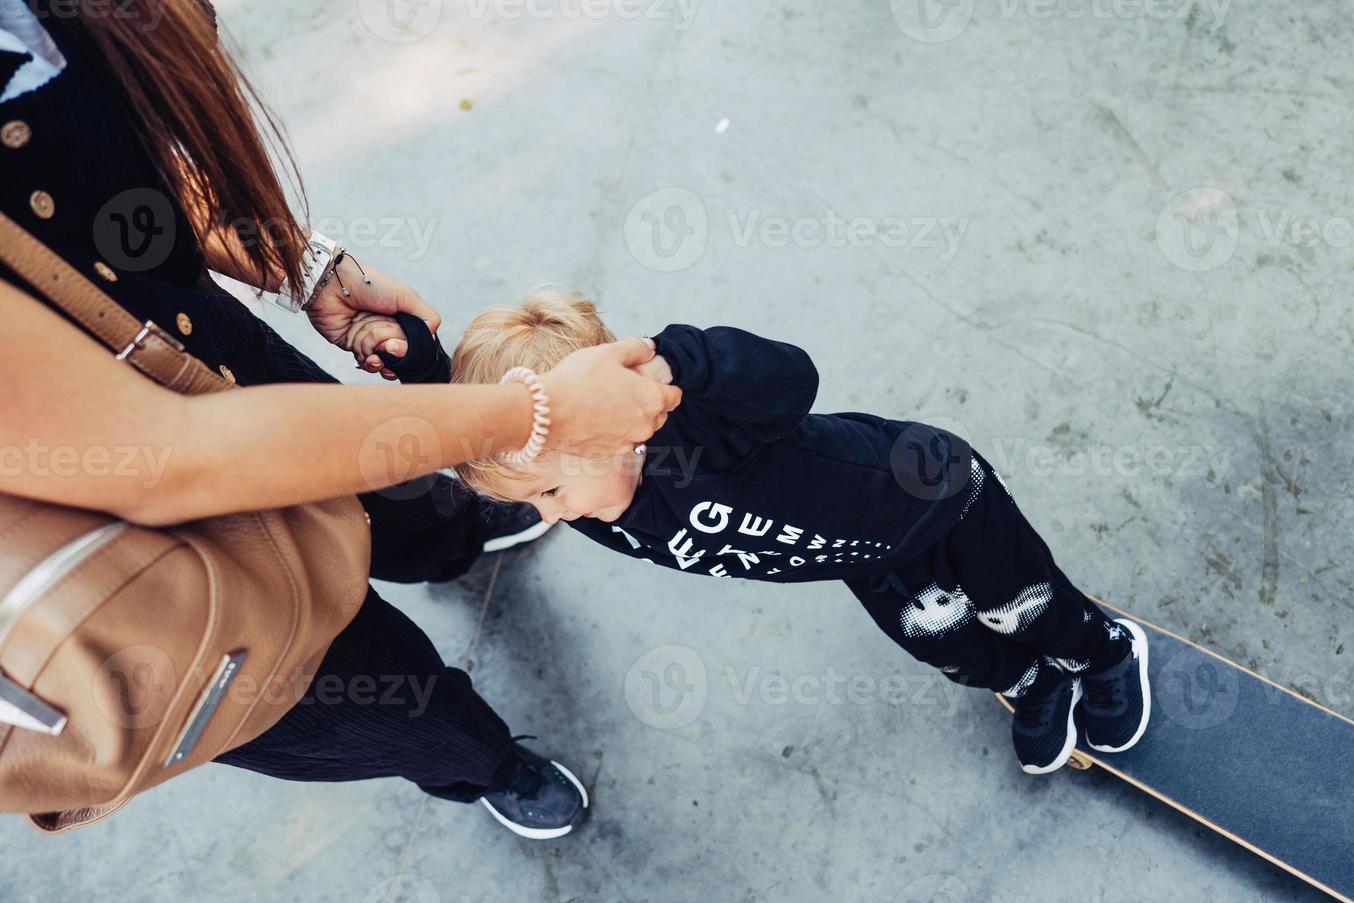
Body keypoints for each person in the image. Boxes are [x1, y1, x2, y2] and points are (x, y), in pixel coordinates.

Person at [0, 2, 679, 838]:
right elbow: (161, 455)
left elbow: (93, 190)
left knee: (401, 492)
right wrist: (535, 413)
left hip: (209, 358)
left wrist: (297, 261)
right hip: (124, 563)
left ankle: (456, 540)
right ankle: (480, 762)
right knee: (373, 701)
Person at [354, 291, 1152, 773]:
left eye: (553, 490)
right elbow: (494, 440)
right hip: (860, 558)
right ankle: (1029, 683)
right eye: (536, 501)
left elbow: (790, 377)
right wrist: (430, 380)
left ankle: (1100, 651)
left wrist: (676, 364)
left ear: (615, 430)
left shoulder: (698, 431)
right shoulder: (594, 503)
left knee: (1020, 601)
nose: (551, 515)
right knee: (941, 640)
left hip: (934, 495)